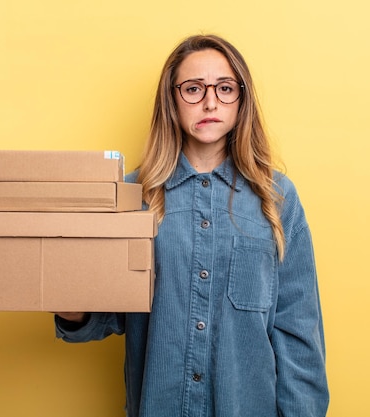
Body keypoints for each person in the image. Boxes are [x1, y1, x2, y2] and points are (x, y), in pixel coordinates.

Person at [55, 34, 329, 417]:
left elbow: (299, 333)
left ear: (241, 100)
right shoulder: (133, 197)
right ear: (172, 99)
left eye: (225, 88)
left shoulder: (277, 199)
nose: (210, 102)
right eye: (194, 89)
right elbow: (109, 316)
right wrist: (71, 307)